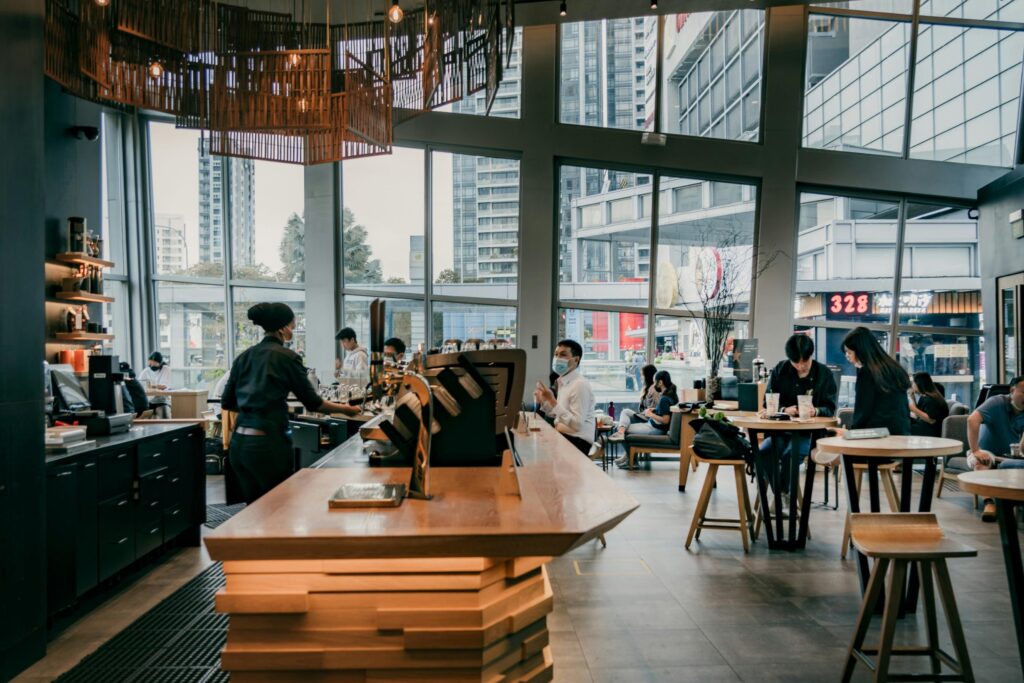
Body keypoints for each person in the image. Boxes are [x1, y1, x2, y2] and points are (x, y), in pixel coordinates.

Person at [222, 303, 359, 503]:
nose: (293, 330)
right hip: (267, 446)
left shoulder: (244, 356)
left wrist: (253, 408)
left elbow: (227, 402)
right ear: (282, 328)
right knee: (277, 508)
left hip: (240, 446)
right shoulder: (287, 357)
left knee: (253, 510)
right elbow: (313, 403)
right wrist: (347, 409)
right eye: (292, 326)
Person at [759, 334, 839, 496]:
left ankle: (783, 495)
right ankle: (782, 493)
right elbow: (767, 402)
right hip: (780, 432)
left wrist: (815, 411)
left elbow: (830, 409)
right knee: (764, 452)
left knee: (791, 454)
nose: (801, 366)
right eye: (796, 363)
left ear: (811, 356)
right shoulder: (780, 370)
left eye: (805, 362)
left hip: (809, 434)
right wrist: (783, 409)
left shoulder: (824, 375)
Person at [965, 376, 1024, 521]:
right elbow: (972, 419)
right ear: (1012, 390)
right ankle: (989, 503)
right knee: (981, 461)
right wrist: (975, 450)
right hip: (987, 451)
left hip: (1013, 456)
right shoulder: (997, 402)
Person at [842, 327, 911, 435]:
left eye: (849, 352)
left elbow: (863, 411)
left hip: (876, 435)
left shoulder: (867, 372)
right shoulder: (893, 368)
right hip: (901, 432)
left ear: (860, 351)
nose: (847, 356)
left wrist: (852, 433)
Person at [533, 339, 596, 456]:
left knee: (536, 452)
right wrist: (543, 401)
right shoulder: (564, 382)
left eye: (563, 355)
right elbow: (558, 414)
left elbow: (577, 424)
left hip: (577, 441)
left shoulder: (579, 384)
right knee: (534, 443)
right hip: (565, 436)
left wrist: (552, 400)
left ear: (576, 360)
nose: (557, 359)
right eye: (556, 354)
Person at [614, 370, 678, 468]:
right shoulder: (670, 396)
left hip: (655, 429)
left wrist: (650, 414)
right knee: (625, 413)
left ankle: (633, 461)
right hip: (652, 425)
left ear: (660, 382)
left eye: (655, 382)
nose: (654, 384)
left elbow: (666, 420)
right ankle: (629, 455)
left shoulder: (664, 398)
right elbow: (666, 413)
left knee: (624, 431)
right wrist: (655, 410)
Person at [614, 364, 659, 434]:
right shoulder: (647, 388)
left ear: (647, 376)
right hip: (643, 417)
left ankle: (621, 432)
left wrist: (643, 414)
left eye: (642, 375)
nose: (641, 377)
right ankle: (621, 431)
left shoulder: (654, 390)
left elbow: (653, 409)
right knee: (619, 423)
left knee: (625, 412)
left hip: (647, 419)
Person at [908, 371, 949, 438]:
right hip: (925, 426)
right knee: (904, 421)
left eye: (913, 383)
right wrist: (913, 399)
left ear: (919, 384)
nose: (912, 385)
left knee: (902, 426)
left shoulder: (931, 399)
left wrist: (912, 408)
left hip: (930, 431)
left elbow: (931, 420)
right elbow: (918, 415)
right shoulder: (925, 397)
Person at [138, 351, 173, 418]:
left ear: (160, 363)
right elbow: (139, 384)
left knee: (164, 415)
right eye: (150, 363)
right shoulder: (146, 371)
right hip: (149, 400)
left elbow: (164, 386)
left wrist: (151, 386)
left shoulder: (165, 369)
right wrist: (153, 386)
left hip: (162, 400)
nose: (152, 365)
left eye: (154, 363)